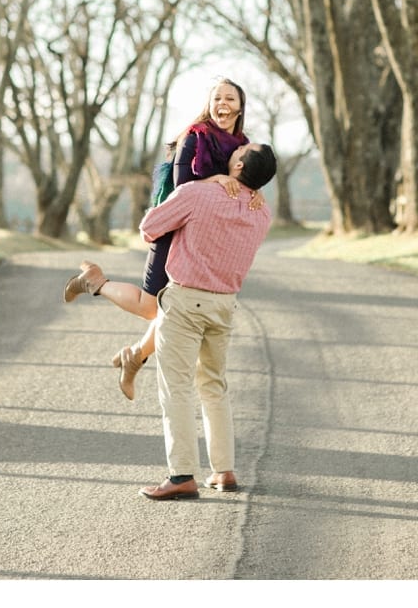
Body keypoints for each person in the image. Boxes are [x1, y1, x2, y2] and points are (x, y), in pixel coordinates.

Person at [63, 78, 264, 400]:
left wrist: (254, 194)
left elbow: (245, 177)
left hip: (203, 238)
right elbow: (182, 182)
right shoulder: (195, 137)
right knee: (150, 307)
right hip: (174, 226)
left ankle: (135, 357)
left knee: (173, 309)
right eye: (217, 98)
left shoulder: (242, 144)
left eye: (230, 98)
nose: (223, 104)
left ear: (240, 106)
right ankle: (94, 282)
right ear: (209, 104)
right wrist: (216, 177)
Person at [135, 140, 277, 500]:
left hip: (186, 300)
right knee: (214, 386)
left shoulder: (199, 194)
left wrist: (199, 185)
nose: (234, 150)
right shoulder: (262, 213)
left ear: (240, 167)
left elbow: (149, 227)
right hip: (225, 305)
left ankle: (182, 474)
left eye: (241, 151)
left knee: (177, 388)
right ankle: (223, 470)